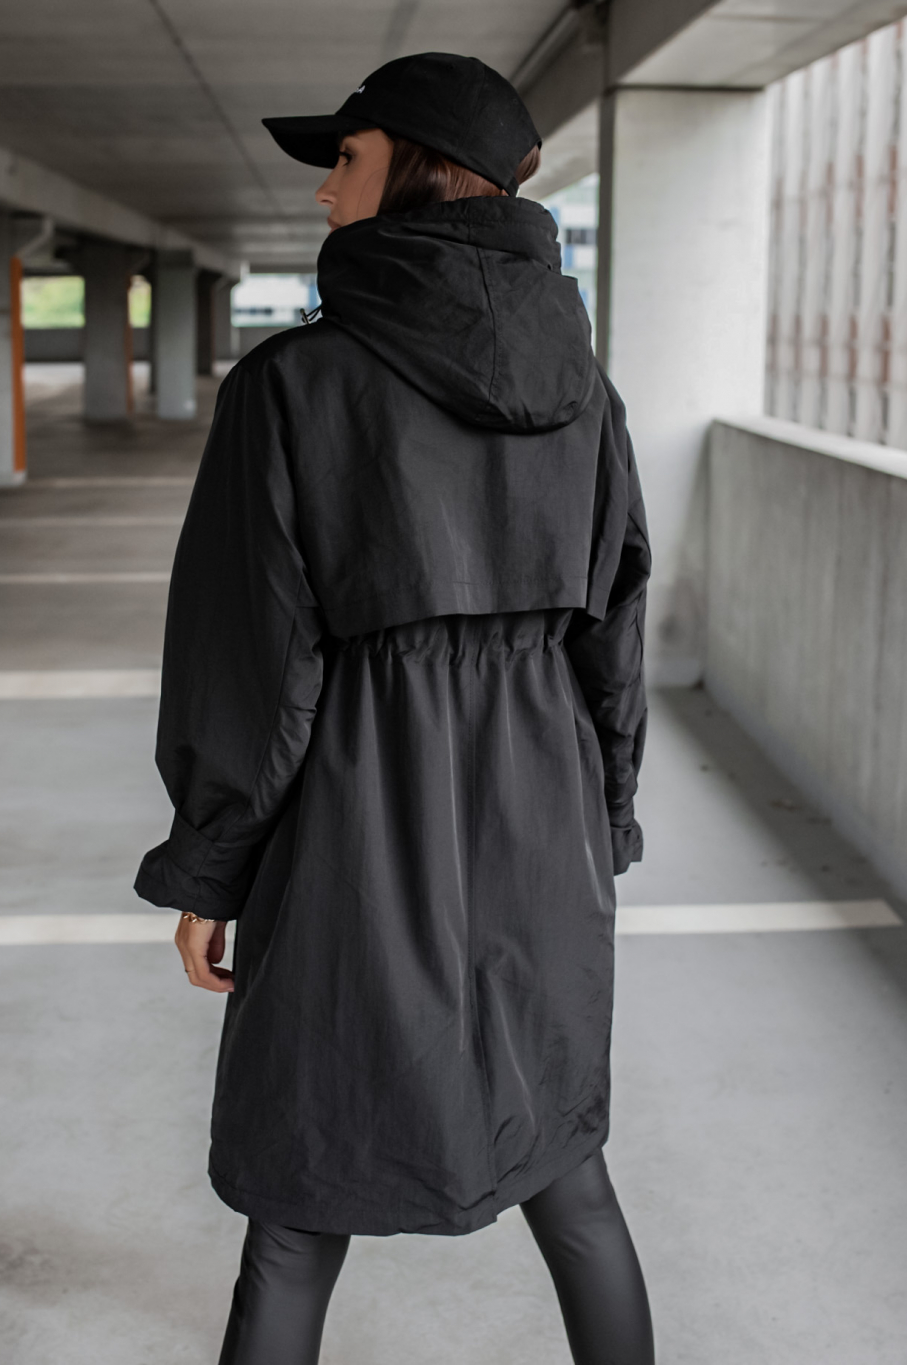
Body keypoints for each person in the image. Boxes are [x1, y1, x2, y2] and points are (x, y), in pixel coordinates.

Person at [136, 52, 654, 1365]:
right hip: (542, 813)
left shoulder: (290, 389)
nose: (323, 192)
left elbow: (249, 663)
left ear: (422, 173)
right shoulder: (587, 394)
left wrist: (211, 866)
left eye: (347, 159)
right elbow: (615, 633)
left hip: (355, 816)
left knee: (299, 1192)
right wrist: (603, 822)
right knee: (568, 1171)